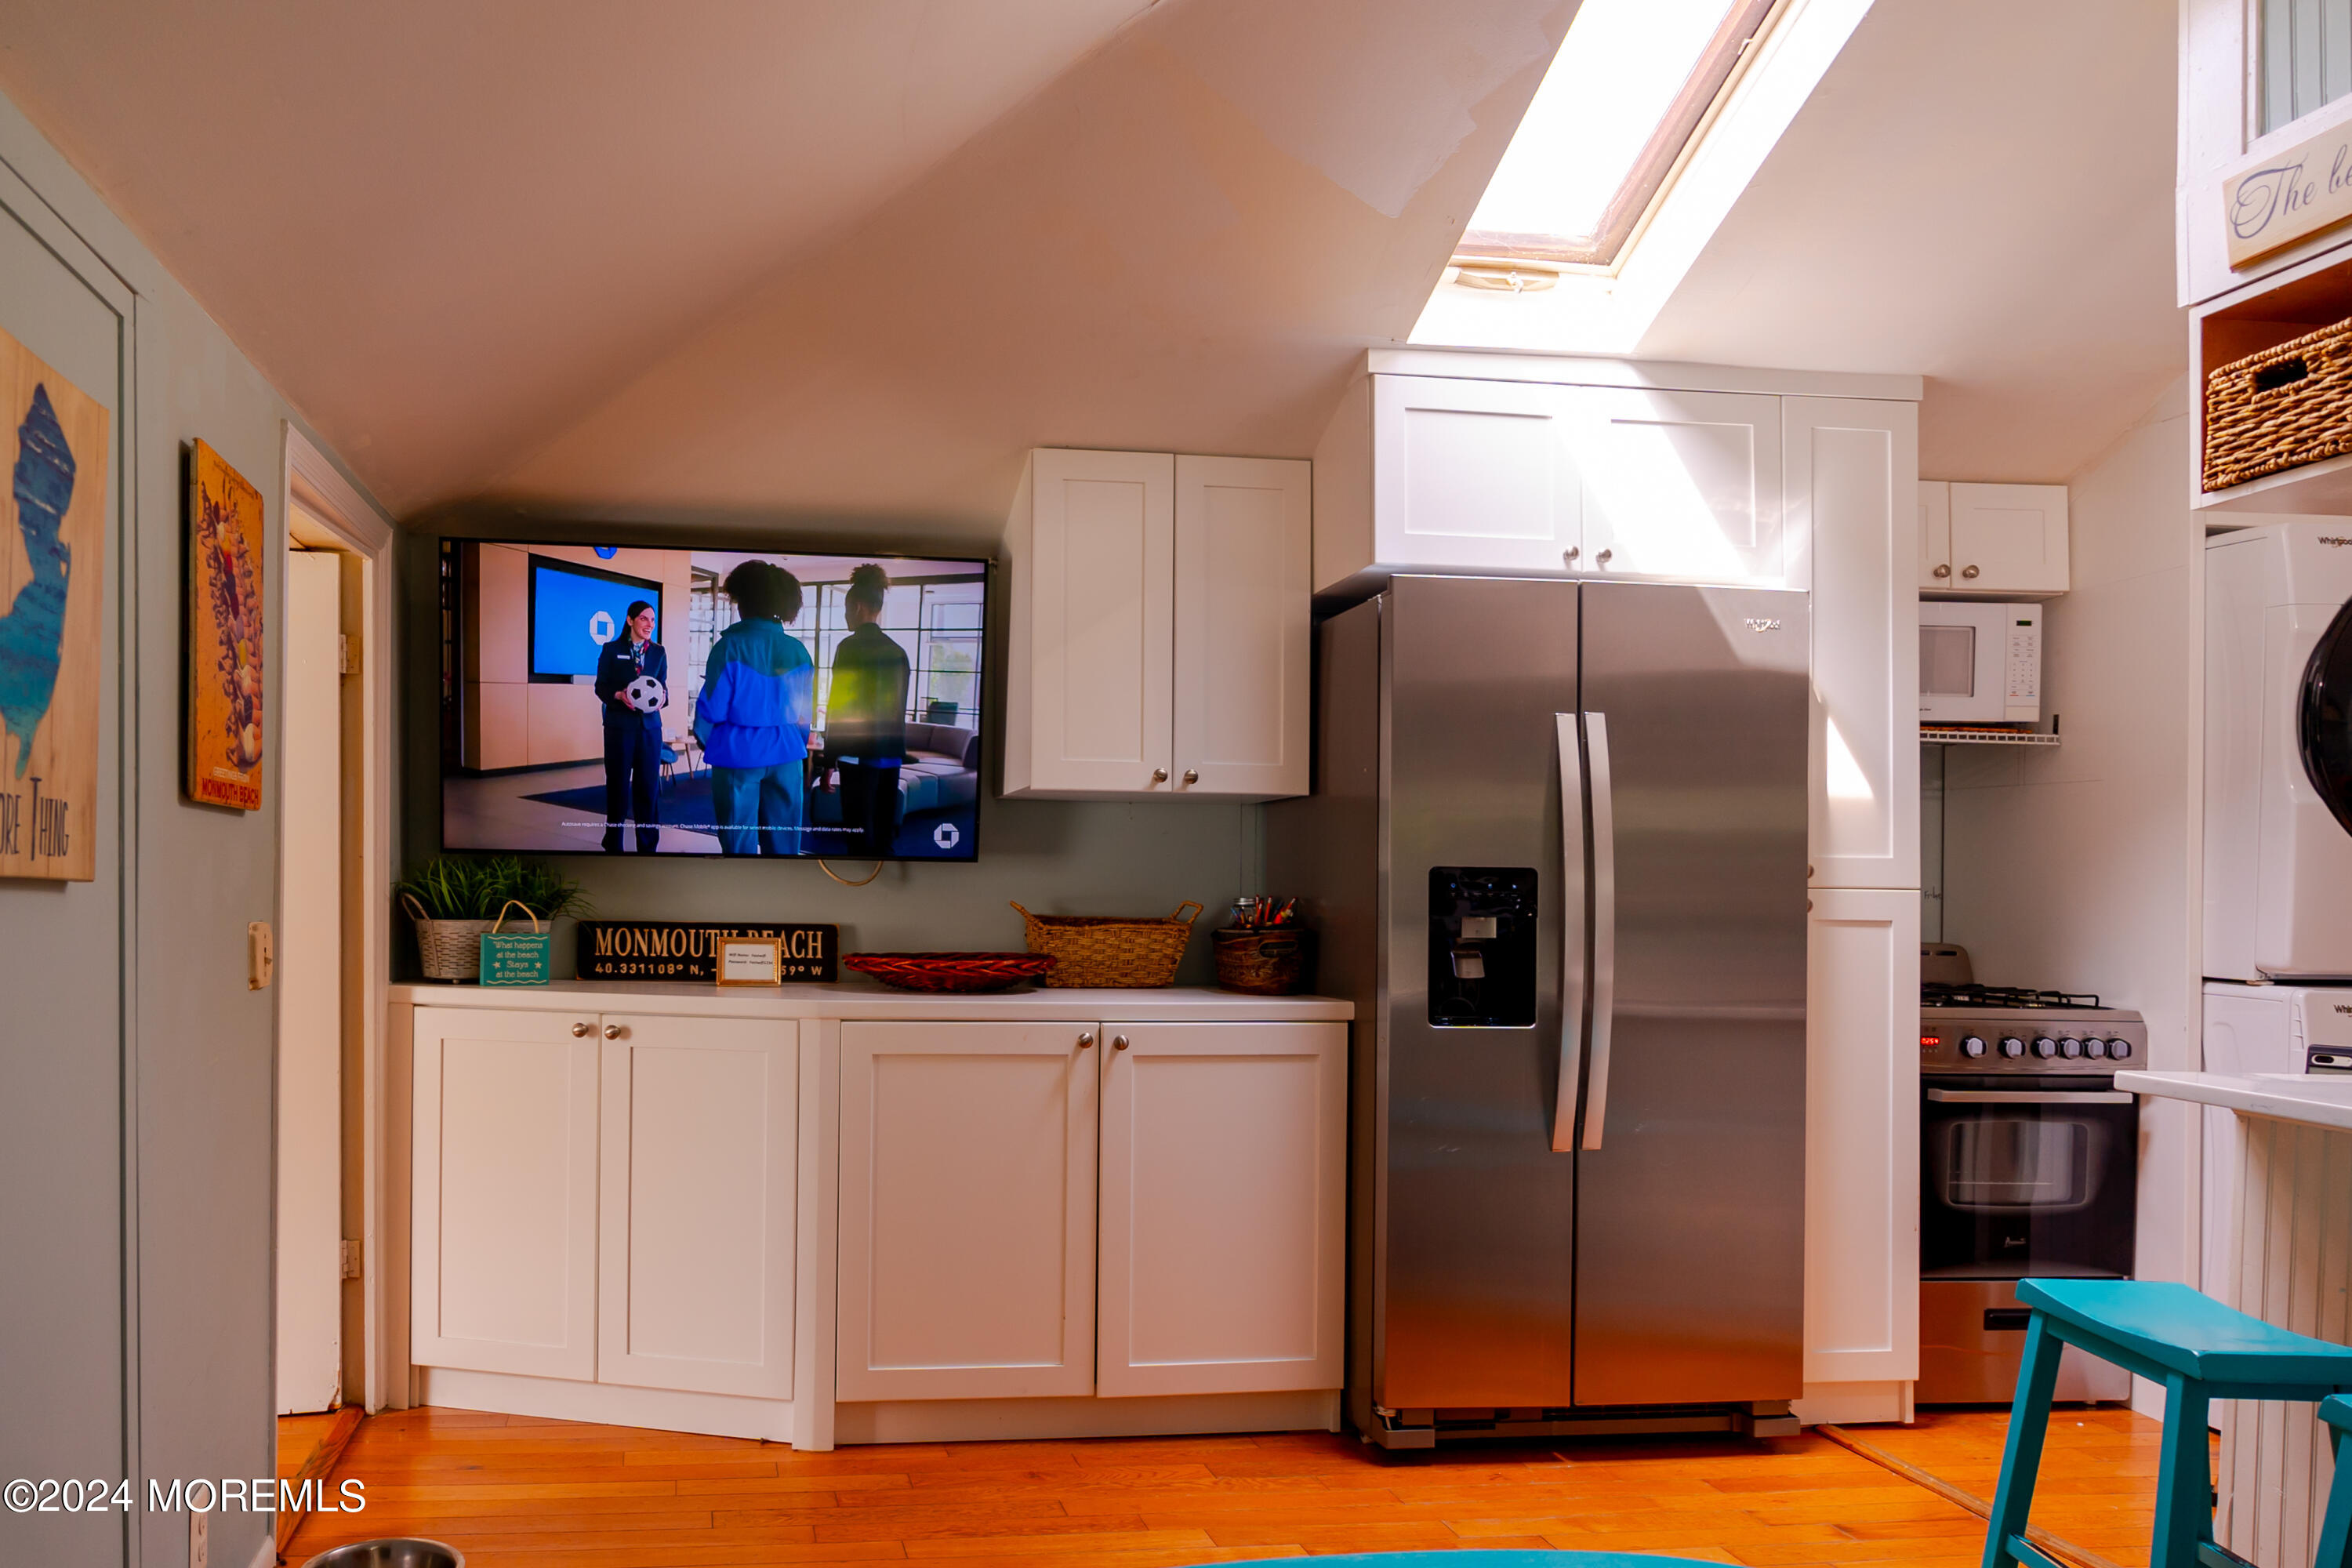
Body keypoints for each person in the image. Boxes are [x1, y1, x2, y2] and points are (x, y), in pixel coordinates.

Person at [695, 561, 813, 856]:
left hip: (738, 754)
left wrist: (705, 732)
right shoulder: (798, 650)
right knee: (785, 846)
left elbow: (714, 711)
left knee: (739, 845)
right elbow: (805, 715)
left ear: (744, 602)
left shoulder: (728, 647)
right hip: (787, 754)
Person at [825, 563, 911, 856]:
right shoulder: (899, 651)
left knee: (858, 832)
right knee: (884, 832)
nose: (845, 615)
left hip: (858, 755)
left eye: (846, 609)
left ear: (858, 607)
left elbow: (840, 706)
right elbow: (898, 709)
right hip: (891, 755)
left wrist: (828, 761)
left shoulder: (849, 648)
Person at [591, 599, 667, 852]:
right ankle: (613, 845)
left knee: (648, 790)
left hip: (650, 730)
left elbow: (663, 687)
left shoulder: (658, 652)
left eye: (652, 620)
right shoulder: (611, 649)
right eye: (644, 618)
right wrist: (618, 695)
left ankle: (648, 847)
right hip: (619, 729)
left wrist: (663, 697)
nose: (650, 624)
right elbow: (600, 687)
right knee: (618, 788)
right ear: (630, 620)